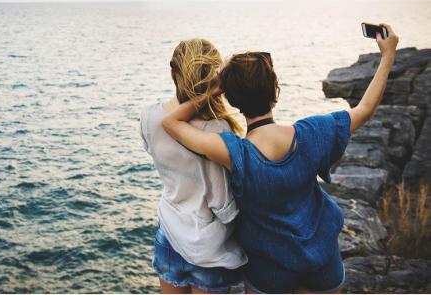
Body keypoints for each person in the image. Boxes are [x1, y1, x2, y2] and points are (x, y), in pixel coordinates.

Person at [161, 25, 399, 293]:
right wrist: (388, 55)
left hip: (269, 272)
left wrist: (215, 90)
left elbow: (170, 123)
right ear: (275, 90)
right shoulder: (313, 134)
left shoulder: (234, 153)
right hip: (323, 263)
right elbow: (365, 109)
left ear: (233, 100)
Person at [140, 39, 247, 293]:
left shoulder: (149, 116)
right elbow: (222, 203)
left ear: (172, 73)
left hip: (168, 234)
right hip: (209, 247)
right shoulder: (217, 129)